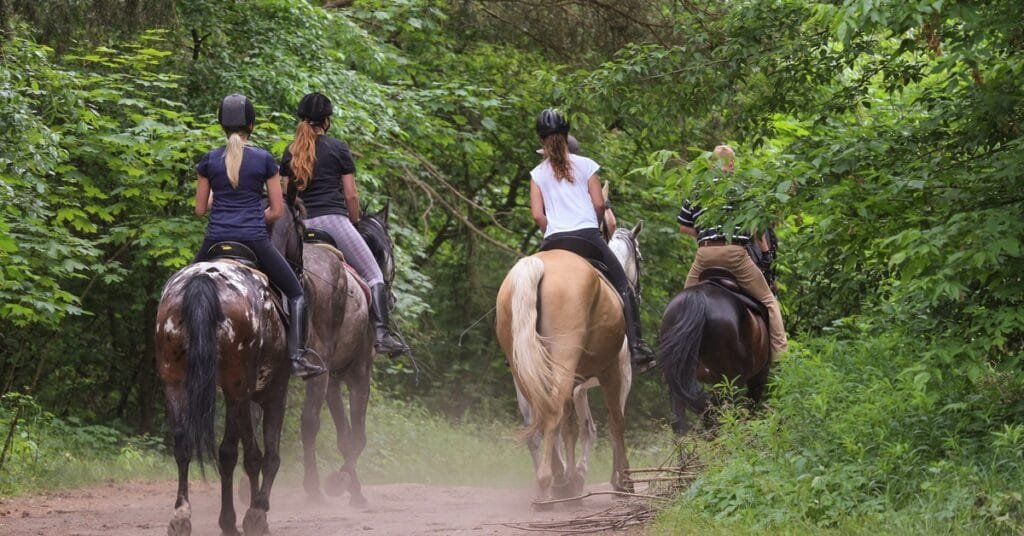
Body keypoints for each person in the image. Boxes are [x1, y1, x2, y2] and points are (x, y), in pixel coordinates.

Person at [193, 94, 325, 379]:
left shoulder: (208, 161)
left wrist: (224, 201)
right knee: (296, 293)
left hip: (214, 241)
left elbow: (200, 209)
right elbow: (277, 211)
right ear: (251, 126)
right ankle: (297, 357)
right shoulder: (264, 160)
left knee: (180, 286)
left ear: (221, 126)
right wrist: (252, 216)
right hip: (253, 240)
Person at [280, 92, 409, 356]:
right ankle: (383, 335)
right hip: (333, 221)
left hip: (301, 225)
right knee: (374, 275)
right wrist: (354, 221)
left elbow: (287, 198)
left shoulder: (290, 151)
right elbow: (351, 195)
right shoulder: (338, 148)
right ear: (326, 121)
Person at [529, 108, 657, 371]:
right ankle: (637, 347)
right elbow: (599, 204)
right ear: (566, 135)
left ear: (541, 140)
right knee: (623, 284)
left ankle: (516, 348)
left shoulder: (537, 174)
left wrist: (551, 232)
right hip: (587, 237)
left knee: (527, 284)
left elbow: (537, 216)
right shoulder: (587, 165)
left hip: (554, 240)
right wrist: (593, 224)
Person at [677, 144, 788, 357]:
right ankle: (782, 359)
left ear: (711, 165)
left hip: (705, 256)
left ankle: (677, 356)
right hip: (735, 255)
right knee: (769, 302)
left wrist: (704, 235)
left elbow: (683, 226)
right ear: (732, 164)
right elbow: (757, 230)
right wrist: (765, 256)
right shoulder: (743, 188)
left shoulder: (699, 188)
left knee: (683, 303)